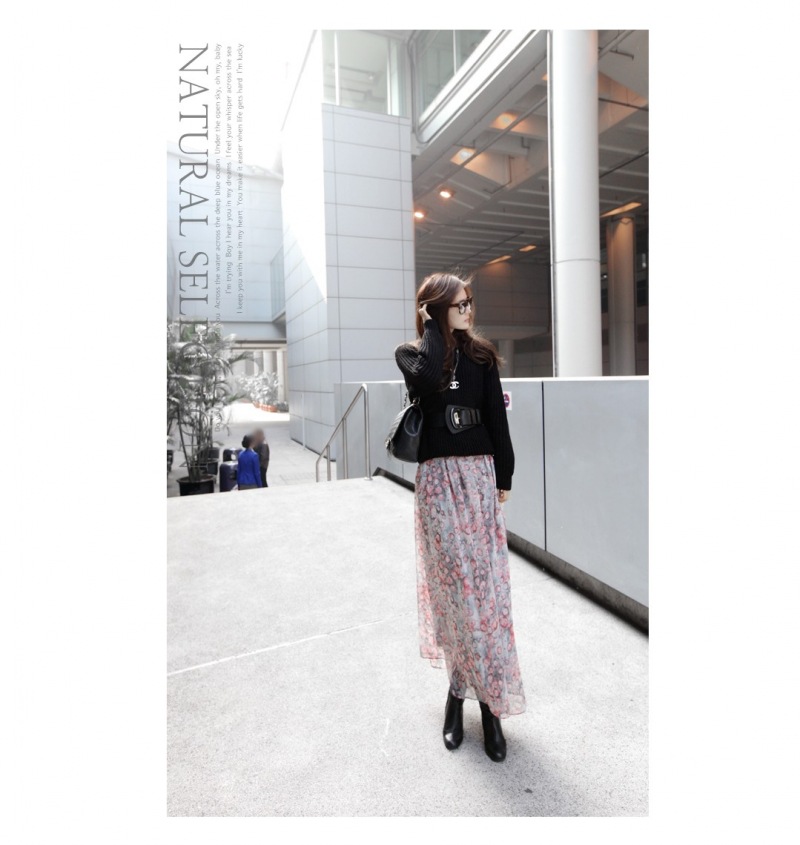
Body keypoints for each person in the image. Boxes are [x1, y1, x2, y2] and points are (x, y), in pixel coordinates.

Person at [394, 271, 526, 763]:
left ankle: (490, 706)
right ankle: (456, 693)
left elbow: (497, 417)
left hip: (478, 478)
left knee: (485, 596)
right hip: (436, 484)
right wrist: (433, 329)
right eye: (458, 304)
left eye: (470, 302)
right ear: (434, 310)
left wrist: (504, 475)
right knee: (453, 596)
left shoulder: (482, 356)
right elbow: (430, 379)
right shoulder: (412, 356)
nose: (468, 310)